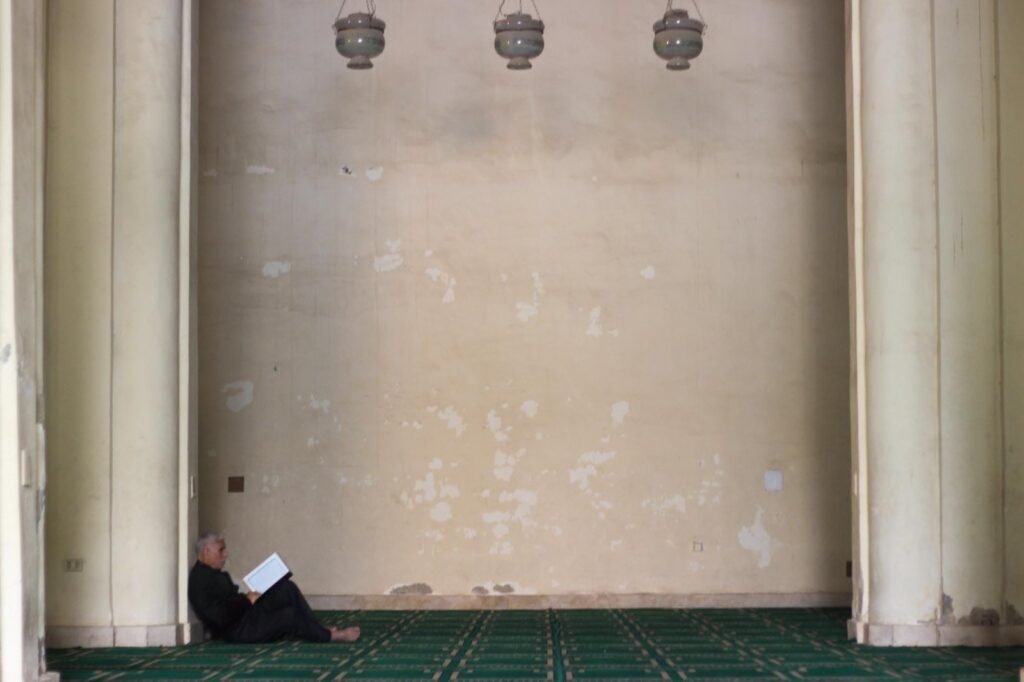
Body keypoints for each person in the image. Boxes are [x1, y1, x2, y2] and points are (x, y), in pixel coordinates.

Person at [188, 532, 360, 644]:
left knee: (286, 587)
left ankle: (316, 627)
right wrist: (246, 601)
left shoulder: (215, 574)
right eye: (221, 550)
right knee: (288, 615)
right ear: (206, 551)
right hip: (239, 630)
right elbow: (219, 617)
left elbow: (231, 602)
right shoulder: (200, 581)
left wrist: (249, 598)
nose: (225, 554)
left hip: (247, 615)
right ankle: (331, 637)